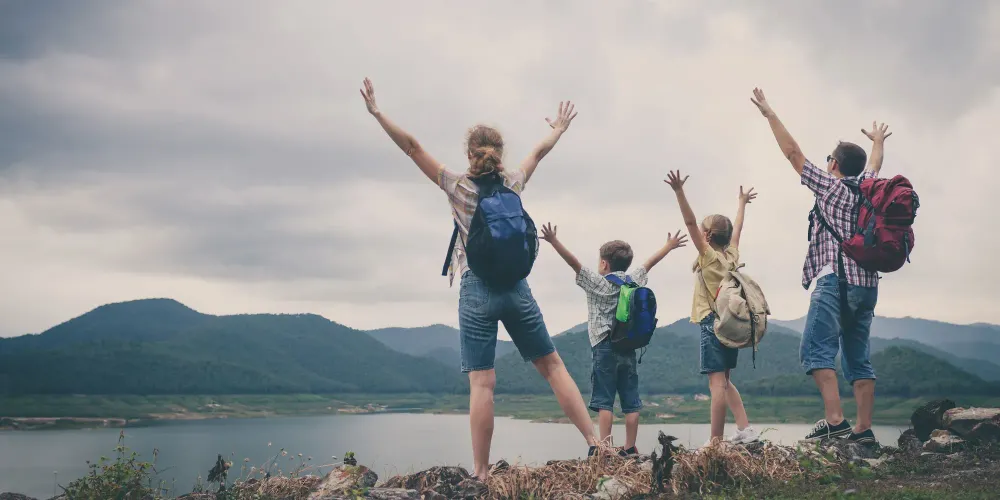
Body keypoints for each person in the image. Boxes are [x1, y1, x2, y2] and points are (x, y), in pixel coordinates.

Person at [359, 78, 598, 480]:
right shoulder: (513, 183)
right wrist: (558, 128)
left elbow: (412, 147)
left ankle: (482, 472)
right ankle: (597, 444)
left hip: (476, 289)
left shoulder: (458, 187)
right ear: (499, 154)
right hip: (517, 288)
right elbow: (539, 151)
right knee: (554, 366)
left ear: (470, 155)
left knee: (483, 383)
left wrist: (378, 113)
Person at [750, 87, 890, 449]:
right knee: (859, 357)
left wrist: (769, 114)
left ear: (834, 163)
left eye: (829, 157)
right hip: (867, 286)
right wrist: (877, 141)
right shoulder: (868, 187)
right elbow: (874, 164)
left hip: (835, 282)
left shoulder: (831, 188)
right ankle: (863, 428)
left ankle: (835, 422)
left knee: (815, 351)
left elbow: (793, 153)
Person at [538, 222, 688, 456]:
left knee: (604, 401)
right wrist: (668, 246)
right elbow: (648, 264)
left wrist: (554, 241)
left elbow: (574, 264)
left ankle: (605, 448)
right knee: (631, 401)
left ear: (604, 263)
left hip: (603, 347)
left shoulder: (598, 284)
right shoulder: (632, 280)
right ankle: (629, 447)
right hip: (628, 347)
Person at [664, 170, 760, 446]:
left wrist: (679, 191)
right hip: (731, 322)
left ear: (706, 235)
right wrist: (741, 203)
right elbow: (738, 229)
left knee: (716, 385)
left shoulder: (707, 256)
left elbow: (689, 221)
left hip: (712, 322)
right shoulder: (732, 254)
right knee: (726, 381)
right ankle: (744, 429)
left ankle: (715, 443)